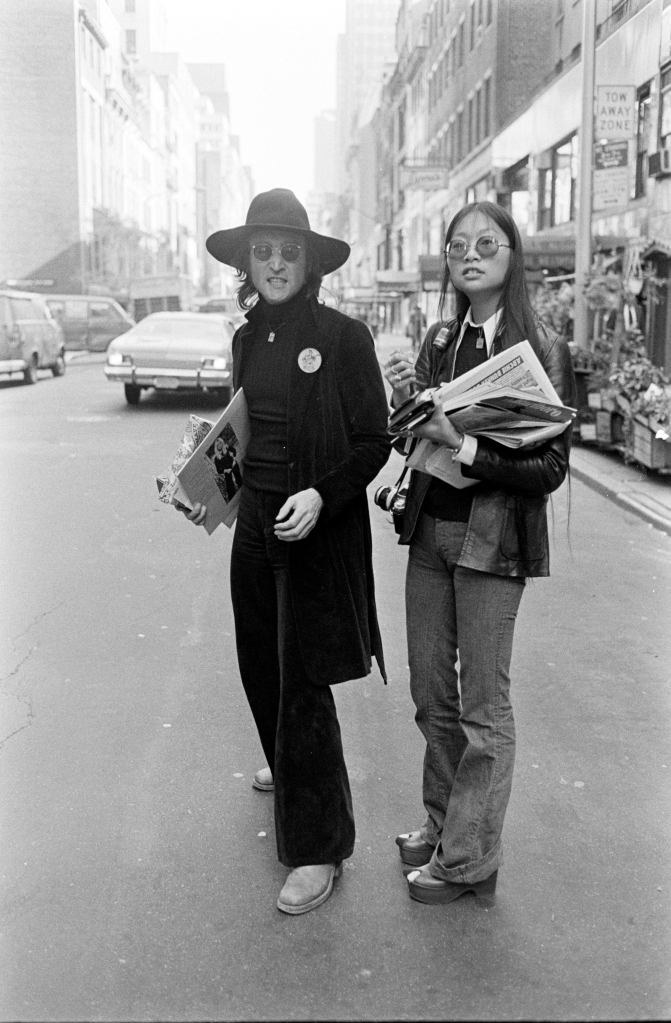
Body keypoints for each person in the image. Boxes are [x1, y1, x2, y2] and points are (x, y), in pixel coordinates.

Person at [182, 188, 391, 915]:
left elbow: (374, 443)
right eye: (262, 252)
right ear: (246, 261)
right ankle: (287, 762)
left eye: (288, 252)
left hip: (310, 534)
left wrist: (321, 495)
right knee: (259, 667)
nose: (274, 264)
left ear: (310, 263)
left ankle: (318, 846)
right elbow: (247, 432)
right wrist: (203, 477)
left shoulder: (342, 337)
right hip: (251, 529)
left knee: (303, 690)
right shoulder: (245, 338)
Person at [383, 201, 576, 905]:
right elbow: (408, 442)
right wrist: (405, 406)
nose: (470, 255)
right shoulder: (439, 338)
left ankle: (467, 856)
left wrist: (460, 441)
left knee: (482, 707)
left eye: (485, 243)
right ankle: (442, 822)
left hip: (494, 543)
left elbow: (548, 470)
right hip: (431, 531)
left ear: (511, 255)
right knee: (429, 692)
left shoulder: (540, 349)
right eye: (457, 245)